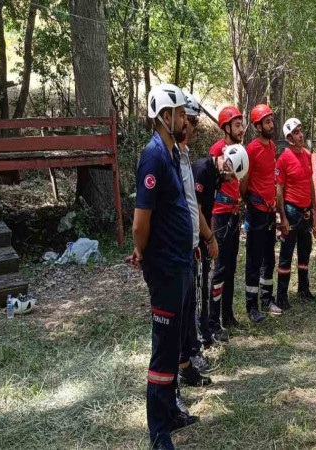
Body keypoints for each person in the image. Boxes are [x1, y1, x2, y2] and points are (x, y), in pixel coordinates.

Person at [130, 83, 197, 449]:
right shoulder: (153, 156)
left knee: (173, 347)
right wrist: (141, 251)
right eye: (181, 113)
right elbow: (141, 221)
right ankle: (158, 431)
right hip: (165, 267)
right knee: (163, 347)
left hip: (182, 263)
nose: (186, 119)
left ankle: (171, 410)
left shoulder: (172, 154)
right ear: (165, 116)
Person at [176, 91, 218, 389]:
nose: (192, 127)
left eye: (193, 121)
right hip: (175, 250)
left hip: (191, 244)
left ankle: (188, 361)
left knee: (190, 304)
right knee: (178, 314)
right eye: (188, 120)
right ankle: (182, 367)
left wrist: (206, 237)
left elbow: (194, 207)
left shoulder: (184, 155)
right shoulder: (163, 157)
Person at [202, 106, 246, 340]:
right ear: (226, 128)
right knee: (219, 270)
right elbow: (211, 186)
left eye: (242, 124)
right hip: (220, 216)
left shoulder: (240, 150)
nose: (241, 129)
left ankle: (227, 315)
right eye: (237, 125)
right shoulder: (218, 150)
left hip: (233, 214)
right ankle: (212, 321)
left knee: (230, 267)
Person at [241, 104, 280, 322]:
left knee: (269, 259)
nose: (271, 124)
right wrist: (248, 200)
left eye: (271, 120)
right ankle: (251, 306)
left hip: (269, 211)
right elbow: (244, 181)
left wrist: (273, 202)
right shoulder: (251, 149)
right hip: (256, 210)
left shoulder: (273, 146)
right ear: (257, 126)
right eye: (266, 121)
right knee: (254, 260)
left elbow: (270, 179)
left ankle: (267, 299)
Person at [275, 118, 316, 310]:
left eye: (301, 131)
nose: (301, 135)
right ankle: (282, 296)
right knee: (286, 255)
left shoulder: (307, 155)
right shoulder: (283, 158)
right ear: (289, 138)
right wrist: (282, 217)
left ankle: (303, 288)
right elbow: (279, 190)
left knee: (304, 252)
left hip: (305, 212)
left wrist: (314, 208)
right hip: (291, 212)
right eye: (296, 133)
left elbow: (310, 183)